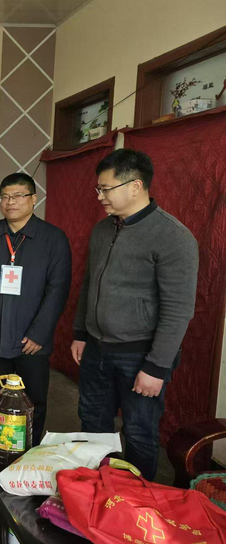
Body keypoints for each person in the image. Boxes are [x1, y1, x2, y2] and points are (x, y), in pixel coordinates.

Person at [71, 149, 198, 481]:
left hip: (140, 355)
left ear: (135, 186)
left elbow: (179, 309)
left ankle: (136, 503)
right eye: (98, 189)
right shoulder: (103, 230)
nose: (99, 196)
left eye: (105, 189)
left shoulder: (173, 236)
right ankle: (96, 493)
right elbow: (88, 285)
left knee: (139, 432)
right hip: (97, 349)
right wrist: (81, 333)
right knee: (92, 423)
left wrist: (156, 367)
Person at [0, 173, 71, 445]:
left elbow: (58, 289)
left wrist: (39, 334)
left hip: (32, 341)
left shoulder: (53, 238)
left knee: (33, 400)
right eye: (4, 197)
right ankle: (1, 451)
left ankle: (29, 453)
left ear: (33, 199)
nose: (9, 202)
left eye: (17, 196)